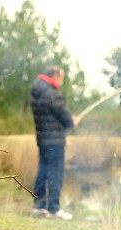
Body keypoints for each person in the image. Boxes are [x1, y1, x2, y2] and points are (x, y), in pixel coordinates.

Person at [30, 66, 79, 220]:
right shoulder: (52, 94)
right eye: (61, 78)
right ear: (55, 75)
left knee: (43, 171)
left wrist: (68, 118)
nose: (62, 81)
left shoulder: (37, 93)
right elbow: (65, 118)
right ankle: (54, 208)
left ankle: (39, 207)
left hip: (43, 140)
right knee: (55, 173)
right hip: (55, 141)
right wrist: (73, 120)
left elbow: (54, 114)